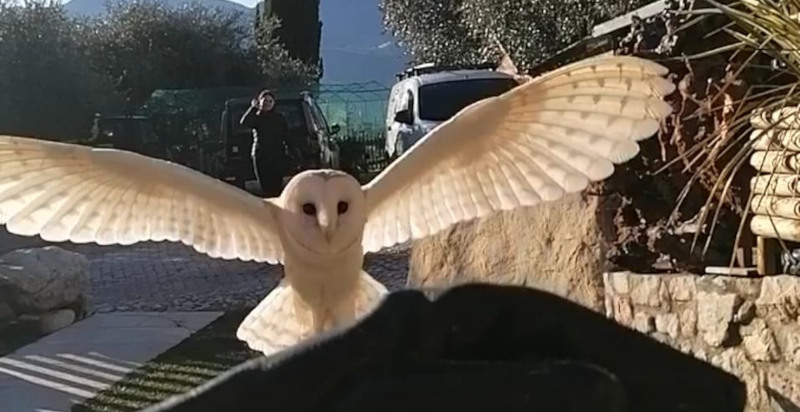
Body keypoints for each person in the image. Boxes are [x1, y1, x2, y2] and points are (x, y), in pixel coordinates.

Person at [240, 89, 292, 197]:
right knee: (265, 187)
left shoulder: (279, 118)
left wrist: (294, 152)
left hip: (277, 156)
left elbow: (287, 136)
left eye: (270, 101)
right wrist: (253, 108)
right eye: (265, 101)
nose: (267, 103)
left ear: (274, 103)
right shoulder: (256, 118)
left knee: (277, 186)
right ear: (260, 102)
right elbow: (244, 122)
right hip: (261, 156)